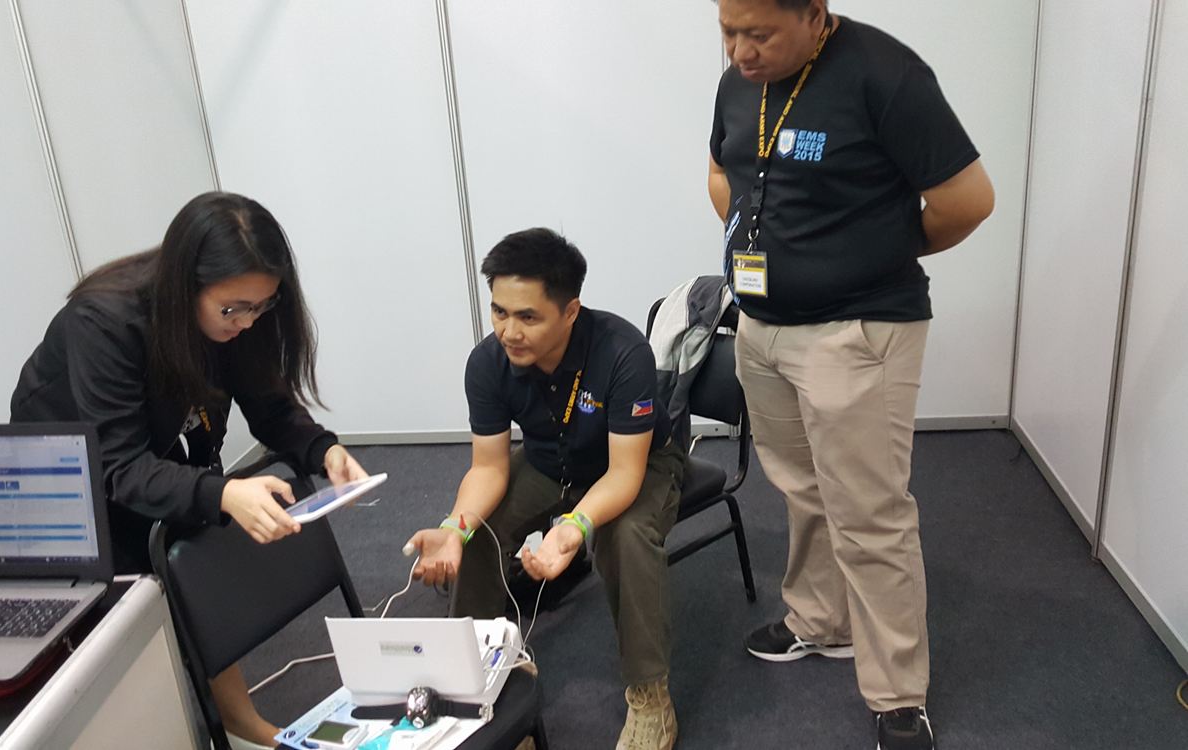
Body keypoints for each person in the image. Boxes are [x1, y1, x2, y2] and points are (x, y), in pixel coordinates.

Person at [707, 2, 995, 748]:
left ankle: (898, 693)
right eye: (727, 31)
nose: (740, 51)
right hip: (763, 327)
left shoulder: (886, 74)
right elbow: (723, 170)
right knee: (802, 488)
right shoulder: (741, 81)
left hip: (858, 330)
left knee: (869, 513)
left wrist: (873, 251)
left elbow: (968, 201)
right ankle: (821, 619)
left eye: (758, 34)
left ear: (815, 13)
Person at [11, 191, 368, 747]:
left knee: (189, 538)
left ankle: (238, 723)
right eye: (233, 309)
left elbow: (268, 404)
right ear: (187, 286)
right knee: (131, 608)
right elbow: (120, 466)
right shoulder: (103, 321)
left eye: (262, 306)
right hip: (62, 473)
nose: (248, 321)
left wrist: (323, 450)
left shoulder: (237, 314)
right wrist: (222, 494)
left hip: (139, 448)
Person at [405, 228, 685, 750]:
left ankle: (651, 697)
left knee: (625, 537)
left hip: (636, 465)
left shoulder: (623, 353)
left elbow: (624, 475)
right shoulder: (487, 363)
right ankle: (482, 679)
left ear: (570, 311)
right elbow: (488, 468)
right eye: (499, 312)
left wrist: (576, 526)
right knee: (478, 531)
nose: (508, 331)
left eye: (528, 317)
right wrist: (454, 527)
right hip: (548, 462)